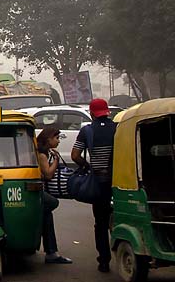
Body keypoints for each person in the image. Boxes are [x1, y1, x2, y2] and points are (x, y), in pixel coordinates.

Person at [73, 97, 117, 273]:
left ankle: (104, 261)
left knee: (100, 223)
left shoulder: (87, 131)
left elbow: (75, 155)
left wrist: (87, 166)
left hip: (99, 184)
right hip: (119, 182)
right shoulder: (118, 128)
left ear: (91, 113)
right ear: (107, 112)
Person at [37, 125, 73, 264]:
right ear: (48, 139)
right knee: (52, 203)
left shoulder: (44, 152)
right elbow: (48, 174)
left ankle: (51, 252)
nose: (58, 141)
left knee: (47, 217)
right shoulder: (41, 155)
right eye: (56, 138)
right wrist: (56, 160)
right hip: (39, 192)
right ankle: (51, 252)